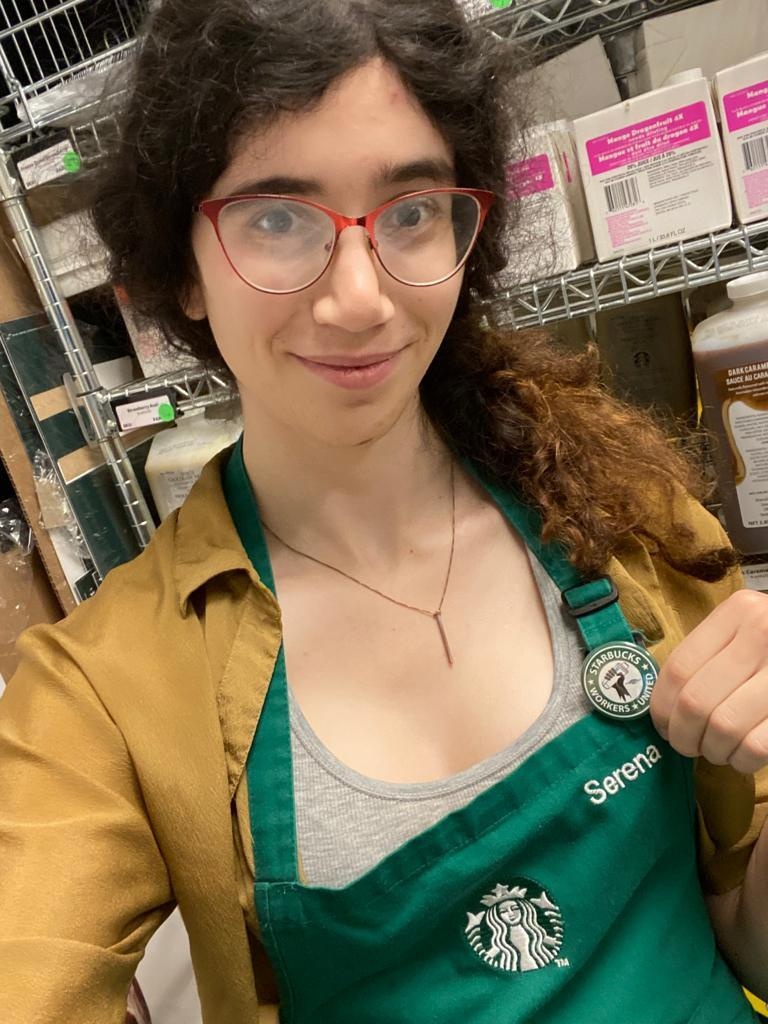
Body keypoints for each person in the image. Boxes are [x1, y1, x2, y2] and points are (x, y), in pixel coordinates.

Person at [1, 0, 767, 1021]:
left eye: (409, 211)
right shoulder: (103, 692)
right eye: (277, 218)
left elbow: (745, 930)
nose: (362, 297)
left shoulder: (615, 507)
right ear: (179, 269)